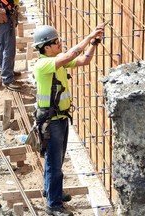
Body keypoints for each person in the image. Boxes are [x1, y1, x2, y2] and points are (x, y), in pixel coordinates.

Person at [32, 23, 105, 216]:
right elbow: (72, 54)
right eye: (56, 42)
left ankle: (51, 191)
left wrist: (94, 44)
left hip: (60, 119)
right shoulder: (43, 65)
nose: (59, 44)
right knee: (54, 163)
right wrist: (89, 36)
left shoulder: (56, 60)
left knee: (56, 160)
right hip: (52, 120)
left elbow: (83, 61)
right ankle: (54, 205)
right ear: (46, 47)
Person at [0, 0, 20, 90]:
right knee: (9, 48)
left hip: (4, 12)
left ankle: (6, 70)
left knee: (3, 45)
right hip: (6, 13)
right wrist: (9, 6)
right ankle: (7, 78)